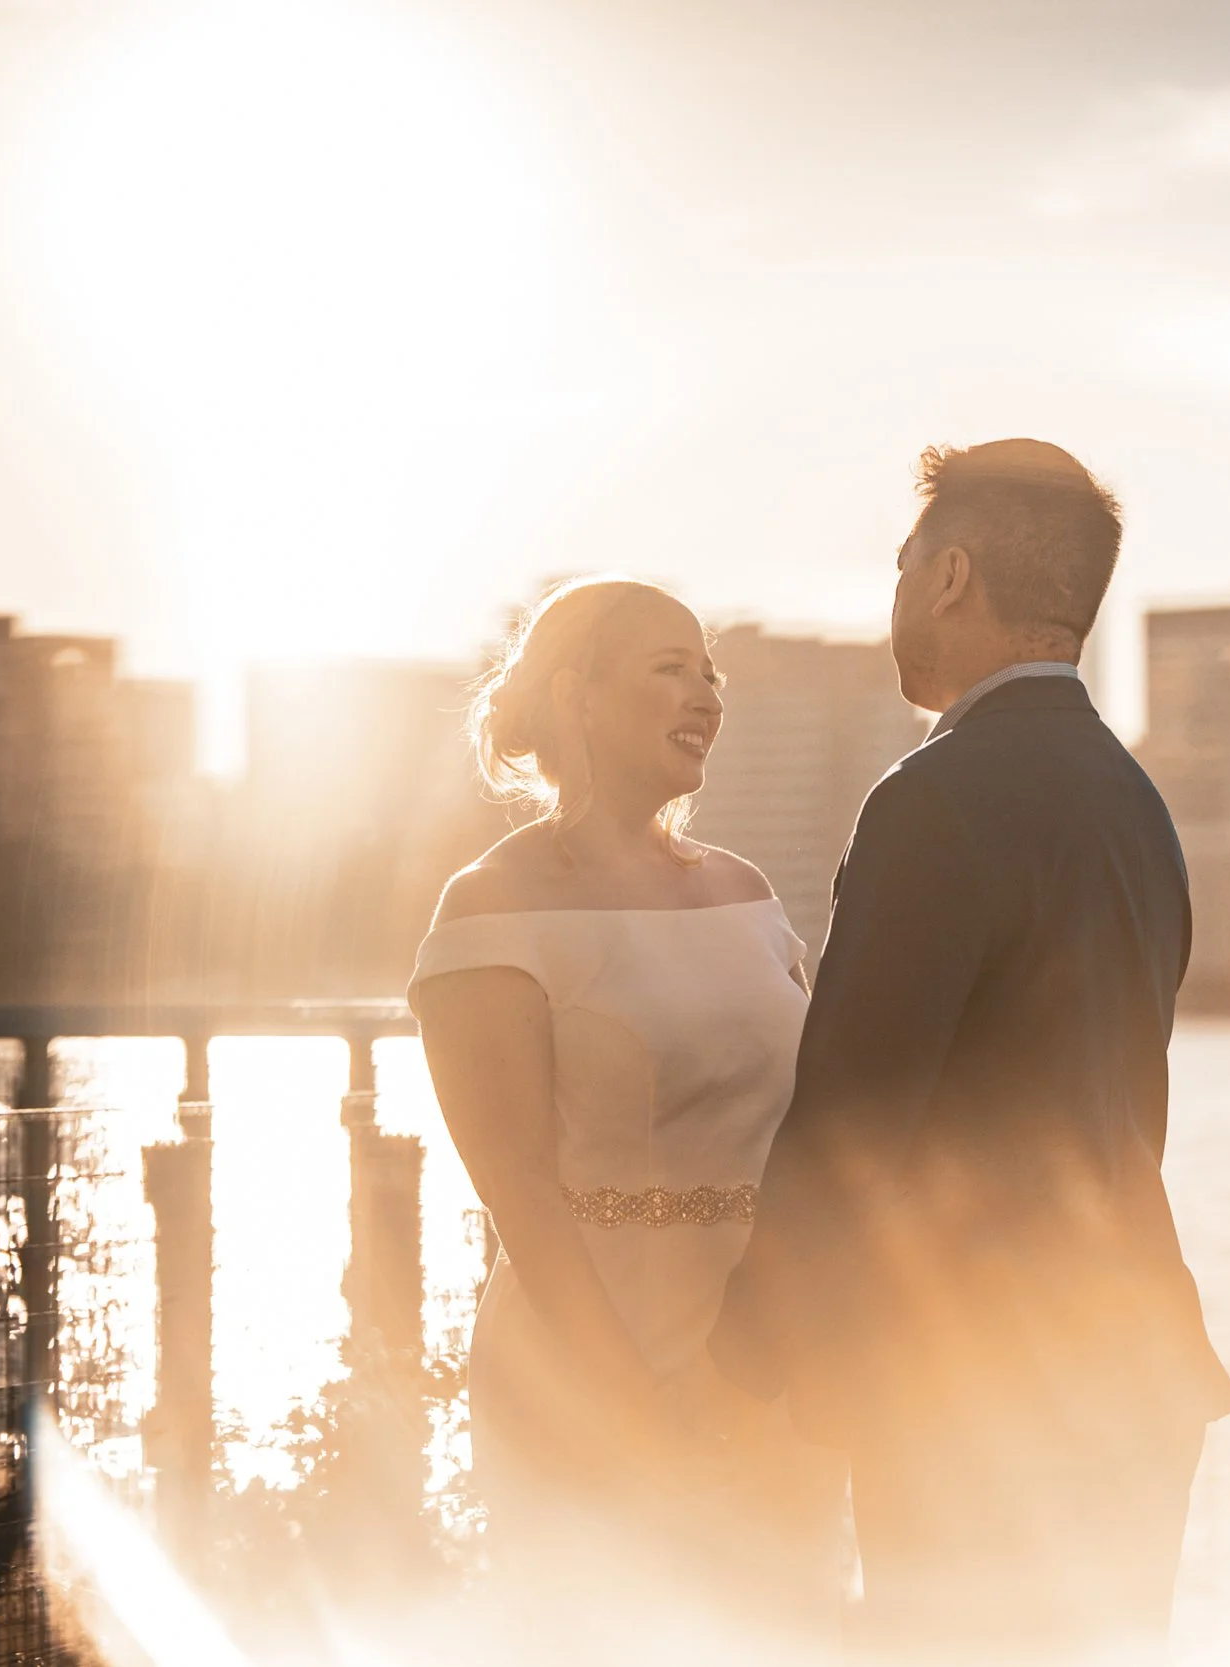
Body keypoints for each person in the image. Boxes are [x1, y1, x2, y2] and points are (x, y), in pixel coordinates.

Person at [708, 440, 1230, 1662]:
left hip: (976, 1391)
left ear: (950, 576)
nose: (896, 592)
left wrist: (746, 1353)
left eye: (903, 565)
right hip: (1135, 1369)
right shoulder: (1133, 802)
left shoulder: (934, 795)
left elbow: (853, 1113)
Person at [407, 576, 845, 1658]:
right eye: (670, 667)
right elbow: (518, 1192)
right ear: (578, 694)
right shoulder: (488, 904)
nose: (707, 693)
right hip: (590, 1366)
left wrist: (784, 1356)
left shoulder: (746, 891)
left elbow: (813, 1135)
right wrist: (637, 1410)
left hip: (768, 1369)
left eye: (713, 673)